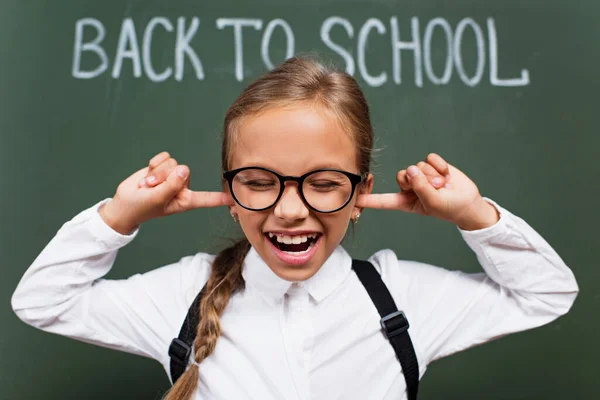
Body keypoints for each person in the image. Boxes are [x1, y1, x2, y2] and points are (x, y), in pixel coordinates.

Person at [12, 57, 578, 400]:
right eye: (258, 181)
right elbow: (41, 302)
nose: (289, 210)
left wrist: (474, 216)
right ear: (229, 193)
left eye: (325, 182)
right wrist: (119, 217)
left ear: (360, 193)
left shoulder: (401, 300)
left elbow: (548, 293)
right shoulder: (183, 296)